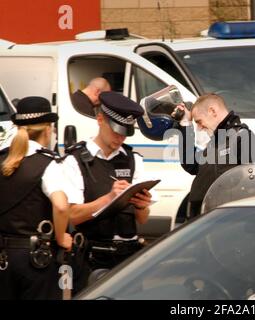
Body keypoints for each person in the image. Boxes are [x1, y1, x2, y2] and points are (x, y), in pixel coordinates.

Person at [63, 91, 153, 291]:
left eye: (125, 132)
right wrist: (109, 198)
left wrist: (142, 206)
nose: (120, 137)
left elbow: (143, 219)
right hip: (92, 257)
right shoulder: (75, 160)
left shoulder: (133, 159)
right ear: (100, 119)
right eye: (116, 130)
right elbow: (70, 216)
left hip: (129, 257)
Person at [0, 96, 72, 300]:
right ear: (48, 128)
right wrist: (61, 238)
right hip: (36, 261)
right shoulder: (49, 163)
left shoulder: (2, 159)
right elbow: (60, 206)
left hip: (4, 259)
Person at [174, 93, 255, 218]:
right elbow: (191, 165)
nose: (199, 128)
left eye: (199, 121)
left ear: (212, 111)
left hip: (227, 221)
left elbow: (254, 185)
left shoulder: (243, 137)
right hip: (204, 219)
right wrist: (185, 126)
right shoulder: (216, 142)